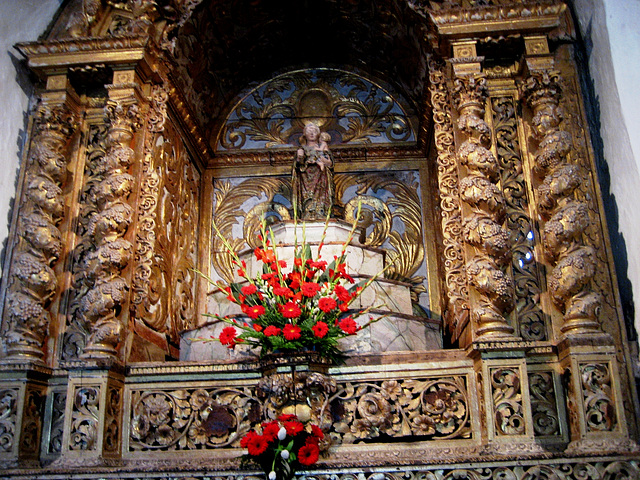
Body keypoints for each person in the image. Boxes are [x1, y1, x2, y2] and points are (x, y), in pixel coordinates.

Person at [292, 124, 334, 220]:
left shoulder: (323, 147)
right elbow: (298, 166)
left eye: (314, 131)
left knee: (320, 195)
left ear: (318, 134)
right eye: (309, 131)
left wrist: (322, 160)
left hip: (321, 177)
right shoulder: (302, 149)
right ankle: (307, 212)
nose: (311, 133)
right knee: (307, 197)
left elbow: (330, 163)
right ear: (304, 134)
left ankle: (321, 212)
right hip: (305, 179)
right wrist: (300, 157)